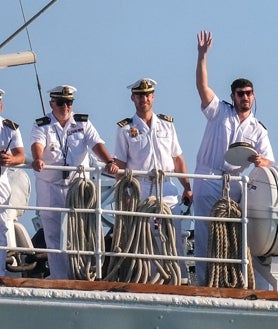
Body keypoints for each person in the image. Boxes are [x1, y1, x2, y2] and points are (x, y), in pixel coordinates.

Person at [194, 30, 275, 286]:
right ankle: (207, 284)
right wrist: (202, 57)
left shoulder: (258, 129)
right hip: (208, 178)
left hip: (237, 184)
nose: (245, 97)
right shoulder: (219, 111)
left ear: (254, 96)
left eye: (249, 93)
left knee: (235, 236)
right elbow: (202, 87)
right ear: (233, 96)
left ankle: (232, 282)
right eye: (240, 93)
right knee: (207, 236)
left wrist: (260, 162)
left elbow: (269, 161)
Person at [31, 85, 119, 279]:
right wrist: (38, 158)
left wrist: (110, 162)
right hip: (50, 186)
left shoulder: (83, 123)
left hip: (77, 187)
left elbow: (96, 144)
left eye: (69, 102)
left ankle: (82, 274)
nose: (65, 107)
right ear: (52, 104)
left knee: (80, 232)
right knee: (53, 234)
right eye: (61, 103)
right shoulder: (42, 125)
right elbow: (37, 144)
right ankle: (59, 276)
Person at [114, 78, 193, 277]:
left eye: (148, 95)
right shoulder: (125, 129)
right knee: (145, 240)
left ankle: (179, 279)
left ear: (153, 97)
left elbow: (177, 159)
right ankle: (150, 280)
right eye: (140, 96)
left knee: (173, 237)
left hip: (166, 188)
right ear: (133, 98)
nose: (144, 99)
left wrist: (187, 186)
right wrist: (123, 194)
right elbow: (121, 165)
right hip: (141, 190)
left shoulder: (167, 125)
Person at [0, 88, 25, 276]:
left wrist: (10, 160)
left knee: (1, 229)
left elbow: (21, 156)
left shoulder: (10, 128)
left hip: (1, 185)